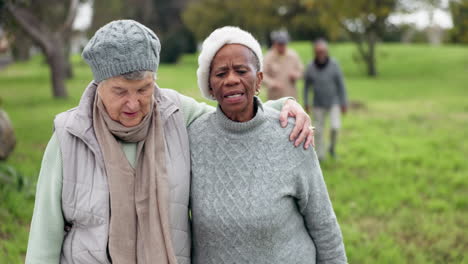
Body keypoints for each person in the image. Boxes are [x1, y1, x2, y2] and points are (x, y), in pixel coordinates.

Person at [25, 20, 315, 264]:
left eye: (143, 89)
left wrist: (286, 105)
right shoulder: (69, 133)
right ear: (98, 85)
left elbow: (231, 115)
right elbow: (44, 237)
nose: (133, 104)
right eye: (119, 91)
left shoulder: (174, 111)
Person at [189, 26, 347, 264]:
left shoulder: (292, 134)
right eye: (220, 74)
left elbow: (323, 224)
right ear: (210, 86)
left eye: (241, 70)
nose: (231, 79)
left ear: (259, 79)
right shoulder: (192, 138)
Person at [304, 39, 348, 160]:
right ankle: (320, 155)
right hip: (317, 103)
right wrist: (306, 102)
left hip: (334, 102)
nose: (321, 54)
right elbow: (306, 87)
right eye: (318, 51)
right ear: (314, 52)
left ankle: (332, 149)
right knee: (318, 131)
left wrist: (344, 102)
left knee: (335, 127)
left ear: (327, 51)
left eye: (323, 51)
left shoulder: (334, 65)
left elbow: (341, 84)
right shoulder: (310, 67)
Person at [263, 30, 303, 100]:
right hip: (274, 97)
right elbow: (262, 75)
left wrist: (296, 74)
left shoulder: (293, 55)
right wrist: (272, 83)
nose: (282, 46)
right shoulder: (268, 57)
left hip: (290, 96)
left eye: (284, 44)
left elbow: (301, 71)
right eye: (279, 44)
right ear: (275, 43)